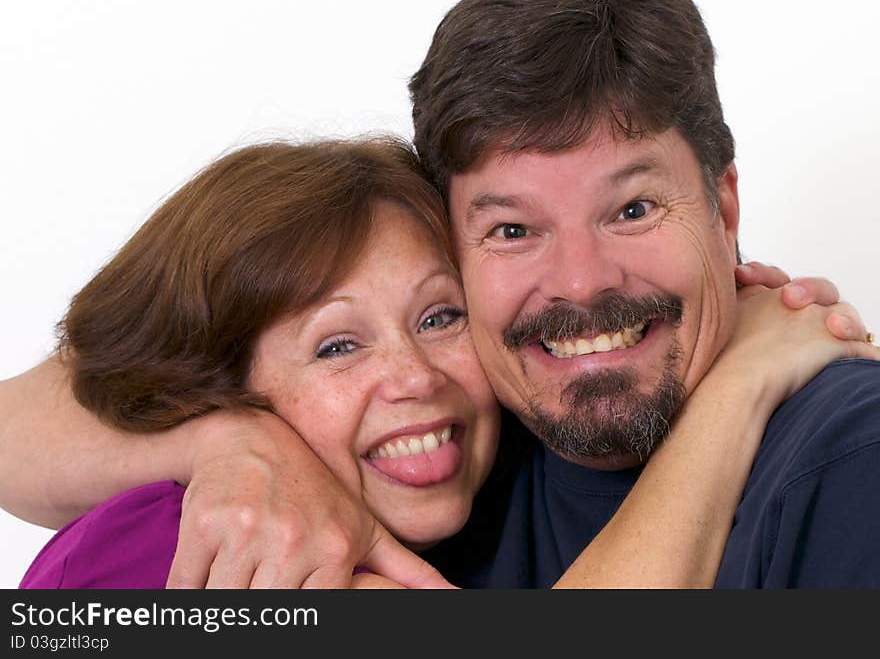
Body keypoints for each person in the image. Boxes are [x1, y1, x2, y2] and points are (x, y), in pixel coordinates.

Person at [3, 138, 871, 589]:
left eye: (441, 315)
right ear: (223, 381)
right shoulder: (181, 551)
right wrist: (740, 388)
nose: (415, 375)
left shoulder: (493, 477)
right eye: (338, 344)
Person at [406, 0, 880, 587]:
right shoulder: (424, 470)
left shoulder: (856, 459)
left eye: (633, 210)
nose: (580, 282)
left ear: (725, 206)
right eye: (513, 231)